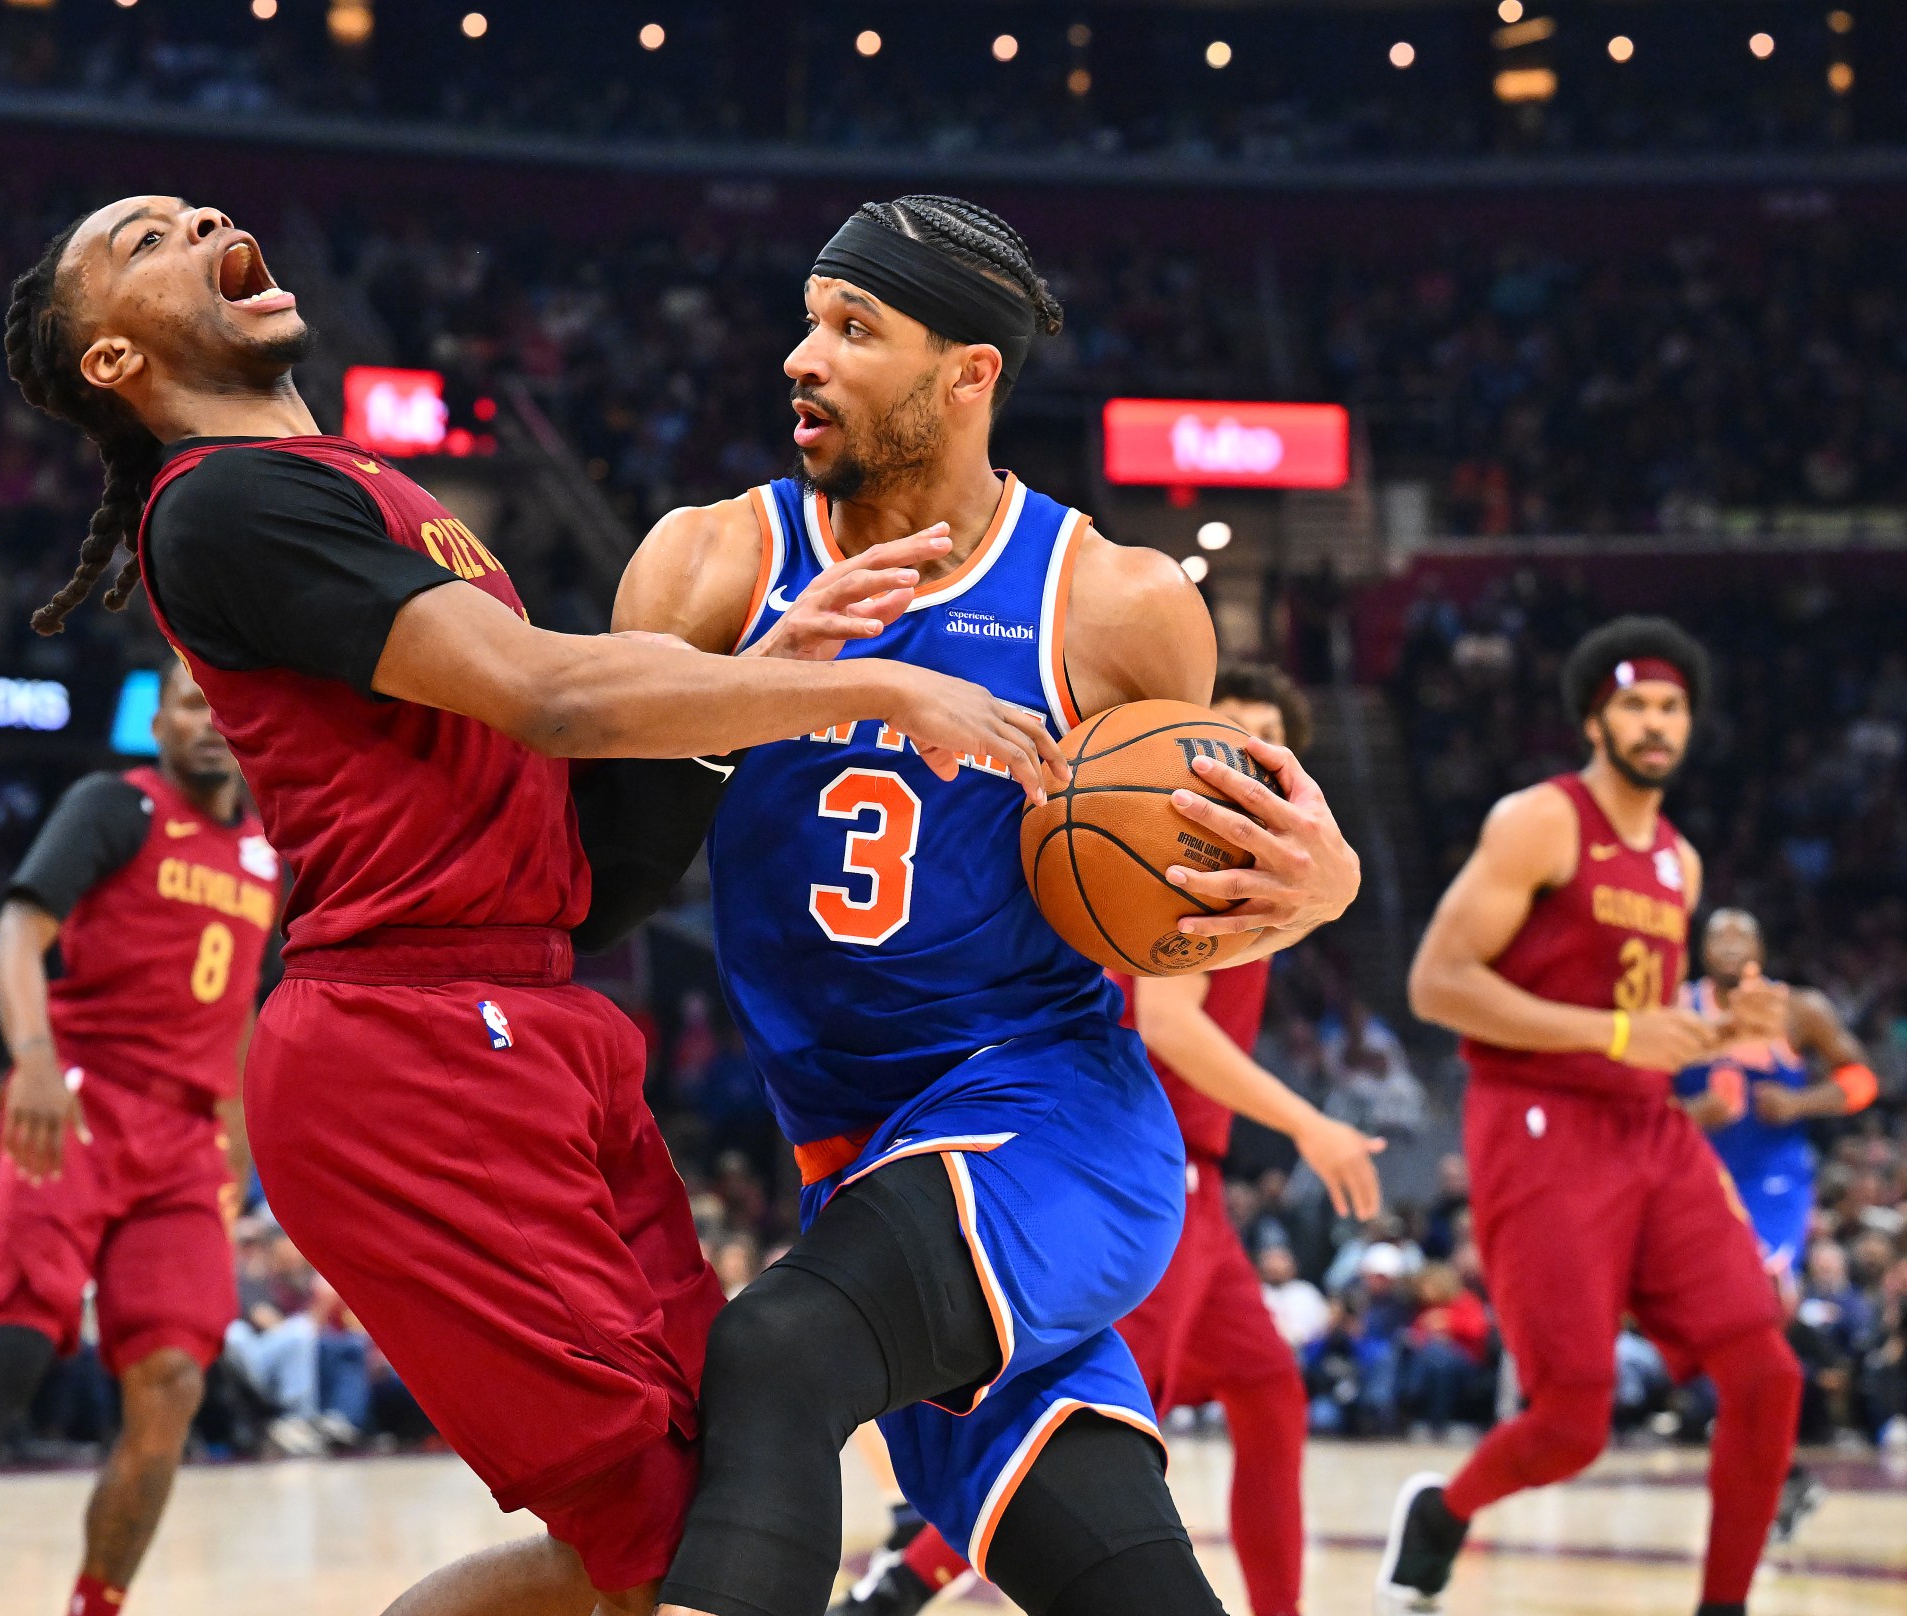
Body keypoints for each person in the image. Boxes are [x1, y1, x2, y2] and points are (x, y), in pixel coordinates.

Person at [0, 194, 1061, 1615]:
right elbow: (551, 694)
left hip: (533, 1006)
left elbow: (580, 860)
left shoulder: (353, 485)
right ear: (117, 364)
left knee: (708, 1496)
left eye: (189, 212)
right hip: (409, 1042)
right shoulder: (229, 501)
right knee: (672, 1542)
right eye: (140, 243)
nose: (195, 219)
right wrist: (870, 683)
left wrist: (758, 683)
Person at [615, 196, 1360, 1616]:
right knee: (1122, 1582)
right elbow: (592, 881)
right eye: (809, 320)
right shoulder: (711, 564)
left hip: (1048, 1120)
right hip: (854, 1155)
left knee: (773, 1352)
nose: (802, 357)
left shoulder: (1115, 606)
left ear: (970, 376)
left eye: (854, 330)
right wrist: (756, 688)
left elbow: (1202, 895)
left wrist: (1321, 891)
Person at [825, 664, 1380, 1616]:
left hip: (1192, 1181)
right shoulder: (1180, 851)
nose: (1247, 756)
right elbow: (1166, 1019)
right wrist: (1310, 1122)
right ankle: (901, 1588)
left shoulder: (1273, 869)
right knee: (1088, 1426)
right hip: (1131, 1162)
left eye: (1269, 740)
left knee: (1269, 1397)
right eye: (1228, 732)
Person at [1379, 617, 1802, 1616]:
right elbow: (1436, 984)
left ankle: (1724, 1604)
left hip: (1649, 1129)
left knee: (1767, 1372)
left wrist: (1717, 1030)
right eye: (1636, 704)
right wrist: (1616, 1035)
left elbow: (1649, 1027)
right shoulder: (1541, 820)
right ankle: (1445, 1509)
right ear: (1593, 718)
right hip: (1537, 1120)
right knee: (1573, 1420)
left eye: (1671, 707)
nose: (1656, 723)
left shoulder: (1682, 864)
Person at [0, 660, 276, 1616]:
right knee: (13, 1352)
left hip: (184, 1139)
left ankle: (96, 1606)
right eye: (190, 705)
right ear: (159, 720)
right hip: (83, 1101)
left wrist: (240, 1123)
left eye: (227, 707)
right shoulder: (112, 806)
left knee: (173, 1379)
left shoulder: (265, 853)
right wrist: (37, 1060)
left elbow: (243, 1004)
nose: (211, 724)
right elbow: (18, 929)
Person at [1672, 905, 1880, 1542]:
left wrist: (1802, 1101)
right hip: (1698, 1178)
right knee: (1713, 1331)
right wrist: (1691, 1111)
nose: (1731, 945)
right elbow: (1635, 1093)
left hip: (1775, 1186)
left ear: (1762, 947)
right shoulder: (1675, 1008)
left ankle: (1764, 1453)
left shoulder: (1799, 1009)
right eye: (1719, 936)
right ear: (1702, 949)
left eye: (1743, 935)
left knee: (1750, 1298)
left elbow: (1862, 1079)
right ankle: (1778, 1468)